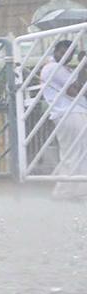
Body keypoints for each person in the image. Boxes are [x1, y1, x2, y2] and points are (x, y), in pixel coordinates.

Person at [39, 39, 87, 199]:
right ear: (55, 51)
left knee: (77, 152)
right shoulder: (54, 68)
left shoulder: (60, 68)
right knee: (73, 153)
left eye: (69, 53)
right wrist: (83, 64)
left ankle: (75, 190)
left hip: (71, 112)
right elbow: (77, 86)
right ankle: (64, 191)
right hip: (69, 113)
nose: (65, 55)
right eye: (62, 51)